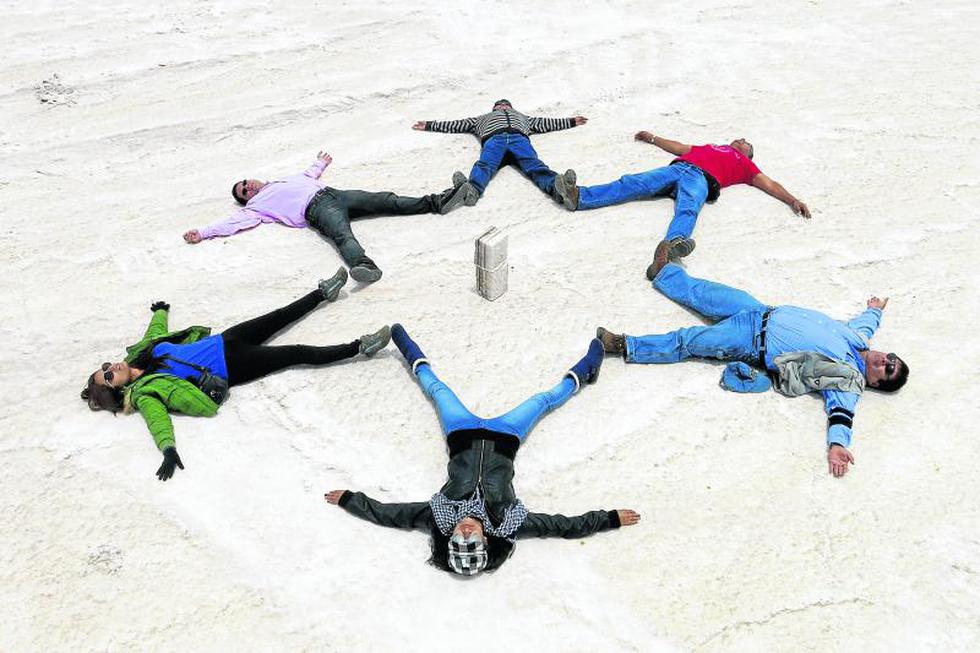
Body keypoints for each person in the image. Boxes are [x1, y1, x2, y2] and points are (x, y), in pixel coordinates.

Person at [324, 324, 640, 576]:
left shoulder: (436, 516)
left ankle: (404, 343)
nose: (464, 530)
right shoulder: (510, 522)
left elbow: (389, 515)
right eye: (471, 540)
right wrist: (608, 519)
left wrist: (351, 500)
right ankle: (588, 367)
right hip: (505, 436)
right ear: (484, 540)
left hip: (461, 432)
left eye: (457, 539)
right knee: (544, 400)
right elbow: (564, 527)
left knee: (436, 389)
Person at [596, 263, 908, 477]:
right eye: (891, 358)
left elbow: (842, 412)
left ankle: (625, 345)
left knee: (689, 340)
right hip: (759, 310)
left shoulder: (849, 380)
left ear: (876, 383)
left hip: (751, 341)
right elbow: (867, 322)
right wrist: (874, 310)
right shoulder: (859, 338)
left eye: (887, 370)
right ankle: (663, 273)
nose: (885, 361)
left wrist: (838, 444)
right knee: (703, 292)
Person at [81, 268, 390, 482]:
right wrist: (168, 449)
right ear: (116, 391)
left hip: (225, 340)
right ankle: (360, 347)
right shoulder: (144, 392)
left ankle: (323, 293)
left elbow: (156, 333)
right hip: (233, 365)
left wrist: (160, 312)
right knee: (297, 352)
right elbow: (156, 419)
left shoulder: (139, 357)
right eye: (107, 378)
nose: (111, 369)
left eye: (106, 367)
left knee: (278, 316)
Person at [182, 151, 474, 283]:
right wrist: (204, 233)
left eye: (246, 182)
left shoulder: (281, 181)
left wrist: (320, 163)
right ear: (246, 199)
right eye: (244, 191)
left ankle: (441, 201)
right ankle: (364, 266)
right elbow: (231, 224)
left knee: (387, 200)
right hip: (318, 209)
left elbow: (308, 175)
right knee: (342, 235)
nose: (249, 187)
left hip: (336, 194)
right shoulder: (256, 207)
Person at [553, 132, 811, 276]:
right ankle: (579, 197)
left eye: (745, 140)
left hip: (701, 179)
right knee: (632, 182)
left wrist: (793, 200)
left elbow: (770, 184)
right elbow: (679, 147)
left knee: (688, 208)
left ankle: (672, 246)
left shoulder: (746, 164)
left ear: (747, 152)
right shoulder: (710, 146)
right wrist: (653, 138)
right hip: (681, 168)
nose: (740, 137)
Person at [413, 99, 585, 203]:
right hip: (494, 140)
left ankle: (560, 189)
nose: (503, 107)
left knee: (534, 165)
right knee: (485, 165)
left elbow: (547, 123)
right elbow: (456, 124)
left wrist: (571, 121)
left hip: (519, 140)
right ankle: (471, 190)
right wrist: (429, 125)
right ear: (494, 109)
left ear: (511, 107)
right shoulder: (481, 119)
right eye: (499, 105)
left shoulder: (524, 118)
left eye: (506, 105)